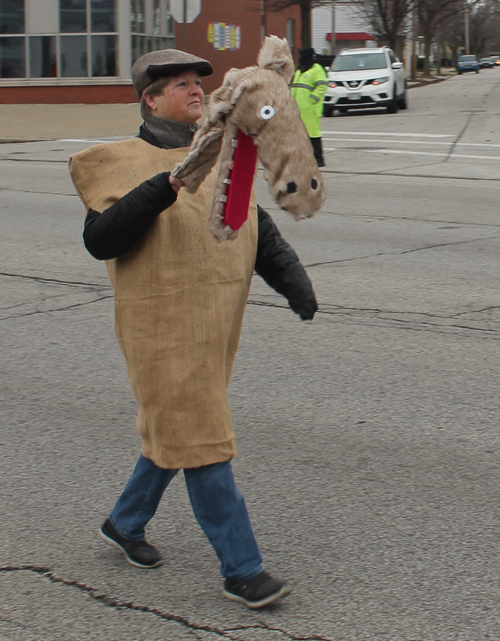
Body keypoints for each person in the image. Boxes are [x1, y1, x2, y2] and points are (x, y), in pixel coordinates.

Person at [69, 49, 318, 610]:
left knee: (175, 428)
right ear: (150, 99)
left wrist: (294, 283)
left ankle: (124, 523)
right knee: (202, 439)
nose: (194, 90)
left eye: (196, 83)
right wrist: (166, 185)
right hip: (158, 331)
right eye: (178, 84)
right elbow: (100, 239)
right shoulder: (119, 162)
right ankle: (242, 570)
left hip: (211, 329)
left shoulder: (222, 154)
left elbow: (253, 228)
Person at [291, 47, 328, 167]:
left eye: (301, 55)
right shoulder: (299, 71)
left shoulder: (317, 69)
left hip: (310, 108)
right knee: (299, 134)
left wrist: (313, 99)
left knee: (313, 133)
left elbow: (322, 86)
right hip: (297, 108)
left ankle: (318, 158)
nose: (299, 58)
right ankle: (302, 157)